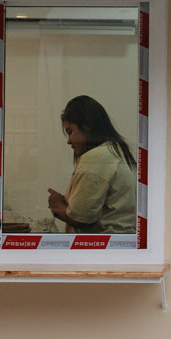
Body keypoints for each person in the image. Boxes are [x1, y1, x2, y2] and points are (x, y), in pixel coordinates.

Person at [46, 94, 138, 234]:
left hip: (103, 248)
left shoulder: (96, 158)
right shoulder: (114, 151)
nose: (69, 141)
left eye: (70, 132)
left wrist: (57, 204)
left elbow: (80, 218)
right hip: (117, 245)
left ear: (87, 126)